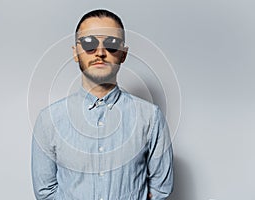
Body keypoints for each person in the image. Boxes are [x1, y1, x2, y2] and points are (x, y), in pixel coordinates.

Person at [31, 9, 173, 200]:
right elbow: (45, 192)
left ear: (123, 54)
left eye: (111, 44)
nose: (100, 52)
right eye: (89, 43)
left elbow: (160, 190)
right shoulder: (49, 119)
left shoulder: (150, 117)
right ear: (76, 53)